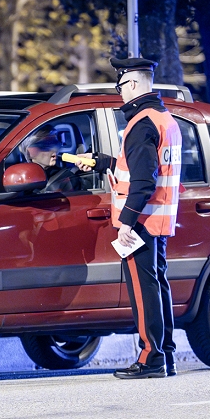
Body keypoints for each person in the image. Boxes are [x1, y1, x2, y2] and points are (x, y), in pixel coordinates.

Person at [77, 57, 182, 379]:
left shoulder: (141, 123)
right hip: (157, 219)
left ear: (133, 84)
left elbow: (144, 180)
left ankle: (151, 358)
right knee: (157, 286)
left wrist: (127, 222)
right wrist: (102, 162)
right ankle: (165, 356)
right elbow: (138, 168)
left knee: (143, 290)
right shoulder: (164, 119)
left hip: (141, 222)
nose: (119, 92)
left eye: (120, 85)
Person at [17, 126, 81, 192]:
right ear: (29, 151)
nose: (54, 149)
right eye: (46, 145)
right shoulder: (20, 178)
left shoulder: (66, 178)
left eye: (55, 143)